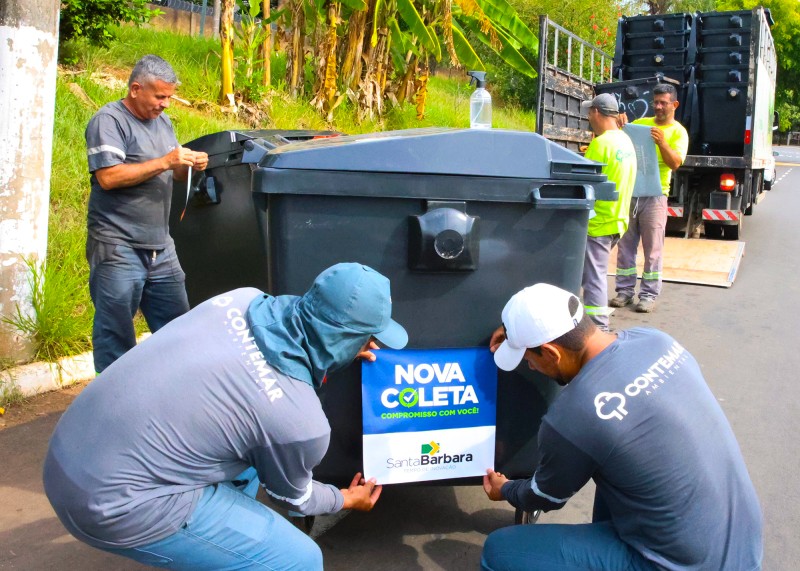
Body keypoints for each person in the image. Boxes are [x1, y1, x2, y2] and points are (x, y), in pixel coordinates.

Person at [43, 262, 408, 570]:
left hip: (69, 449)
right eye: (366, 337)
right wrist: (346, 499)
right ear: (343, 338)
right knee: (300, 559)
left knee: (252, 453)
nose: (372, 345)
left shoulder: (241, 299)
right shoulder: (300, 423)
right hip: (109, 506)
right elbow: (296, 499)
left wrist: (339, 350)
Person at [480, 283, 762, 570]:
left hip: (681, 565)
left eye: (529, 359)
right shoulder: (656, 341)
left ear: (552, 354)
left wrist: (506, 490)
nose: (530, 366)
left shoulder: (571, 416)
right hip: (741, 545)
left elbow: (545, 496)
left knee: (498, 550)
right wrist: (517, 333)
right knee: (613, 455)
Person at [85, 54, 209, 373]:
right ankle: (113, 400)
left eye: (169, 97)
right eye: (160, 96)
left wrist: (187, 165)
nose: (165, 104)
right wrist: (166, 161)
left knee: (179, 330)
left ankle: (173, 394)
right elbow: (108, 177)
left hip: (160, 248)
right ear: (136, 89)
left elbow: (172, 173)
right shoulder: (109, 121)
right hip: (118, 245)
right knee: (115, 334)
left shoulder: (162, 122)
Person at [611, 83, 689, 313]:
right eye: (655, 102)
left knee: (653, 249)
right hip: (631, 193)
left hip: (655, 196)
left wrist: (662, 142)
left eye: (663, 103)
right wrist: (619, 123)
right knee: (625, 246)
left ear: (674, 105)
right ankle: (624, 291)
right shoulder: (641, 124)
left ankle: (648, 295)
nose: (658, 107)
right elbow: (620, 140)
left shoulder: (678, 132)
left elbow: (675, 163)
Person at [579, 94, 637, 331]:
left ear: (596, 112)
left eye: (589, 112)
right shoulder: (626, 141)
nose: (588, 117)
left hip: (598, 223)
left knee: (594, 277)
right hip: (618, 220)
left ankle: (599, 328)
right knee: (589, 274)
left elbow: (583, 181)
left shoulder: (601, 144)